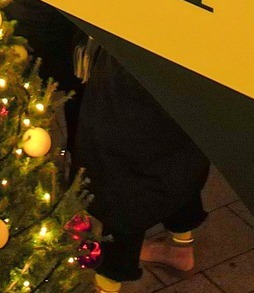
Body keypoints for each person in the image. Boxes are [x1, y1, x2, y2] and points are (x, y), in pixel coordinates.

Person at [78, 46, 210, 289]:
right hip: (194, 54)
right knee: (180, 143)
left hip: (139, 48)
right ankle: (180, 246)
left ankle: (107, 282)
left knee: (121, 164)